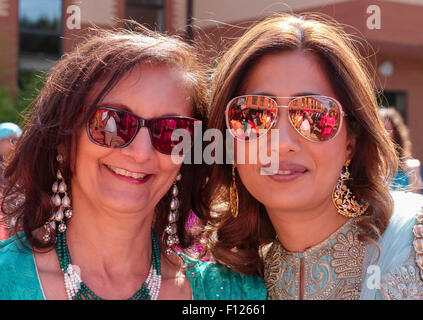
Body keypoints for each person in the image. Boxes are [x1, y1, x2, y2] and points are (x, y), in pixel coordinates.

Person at [0, 24, 265, 300]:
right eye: (112, 123)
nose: (141, 152)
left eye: (170, 131)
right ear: (63, 138)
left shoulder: (234, 295)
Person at [197, 14, 423, 300]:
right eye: (253, 115)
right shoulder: (229, 282)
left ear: (351, 142)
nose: (282, 144)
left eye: (313, 115)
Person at [379, 107, 423, 193]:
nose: (383, 134)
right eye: (379, 130)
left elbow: (415, 199)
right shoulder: (368, 166)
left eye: (387, 130)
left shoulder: (411, 168)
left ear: (396, 133)